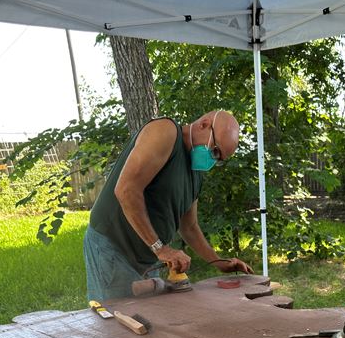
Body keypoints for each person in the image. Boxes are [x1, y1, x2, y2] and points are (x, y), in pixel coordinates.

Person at [84, 109, 253, 301]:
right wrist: (160, 248)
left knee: (151, 321)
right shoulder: (165, 132)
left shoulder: (195, 174)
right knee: (117, 321)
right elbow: (126, 190)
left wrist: (220, 262)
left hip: (149, 257)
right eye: (215, 151)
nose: (213, 160)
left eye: (219, 159)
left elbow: (189, 227)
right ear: (203, 125)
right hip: (113, 246)